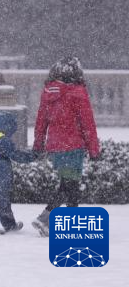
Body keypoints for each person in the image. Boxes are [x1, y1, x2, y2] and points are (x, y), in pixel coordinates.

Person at [31, 56, 101, 236]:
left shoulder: (48, 93)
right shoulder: (78, 93)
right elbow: (88, 123)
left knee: (69, 185)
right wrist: (94, 150)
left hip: (56, 147)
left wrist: (38, 145)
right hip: (73, 146)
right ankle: (46, 218)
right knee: (70, 187)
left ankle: (60, 223)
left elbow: (41, 122)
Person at [0, 111, 35, 234]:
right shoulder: (2, 140)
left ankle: (10, 224)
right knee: (0, 200)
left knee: (2, 199)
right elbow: (16, 155)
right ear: (7, 125)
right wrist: (33, 156)